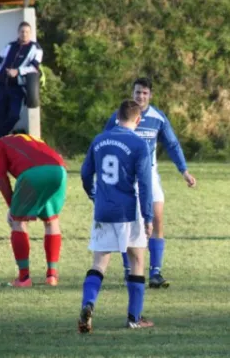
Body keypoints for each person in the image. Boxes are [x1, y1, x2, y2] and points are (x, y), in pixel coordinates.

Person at [105, 77, 196, 288]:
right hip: (127, 180)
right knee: (128, 224)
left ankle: (156, 272)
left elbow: (172, 144)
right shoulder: (120, 117)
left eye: (145, 93)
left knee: (156, 220)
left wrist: (184, 171)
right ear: (132, 93)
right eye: (137, 92)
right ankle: (129, 270)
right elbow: (105, 142)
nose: (141, 97)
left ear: (150, 95)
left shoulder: (158, 117)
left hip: (150, 177)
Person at [79, 99, 154, 332]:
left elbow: (85, 173)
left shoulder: (100, 139)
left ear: (116, 116)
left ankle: (88, 305)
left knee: (99, 263)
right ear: (138, 119)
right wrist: (148, 216)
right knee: (137, 260)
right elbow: (144, 184)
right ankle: (134, 317)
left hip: (103, 210)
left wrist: (94, 195)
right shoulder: (140, 145)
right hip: (128, 211)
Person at [0, 132, 66, 287]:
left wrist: (13, 207)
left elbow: (1, 178)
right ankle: (52, 276)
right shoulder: (32, 138)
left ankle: (24, 278)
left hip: (34, 173)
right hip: (60, 170)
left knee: (18, 222)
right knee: (52, 220)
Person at [0, 21, 42, 139]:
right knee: (2, 116)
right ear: (18, 32)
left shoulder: (36, 48)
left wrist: (18, 71)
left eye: (27, 32)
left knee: (14, 115)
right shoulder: (10, 45)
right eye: (22, 31)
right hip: (2, 85)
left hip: (17, 87)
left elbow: (34, 67)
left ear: (30, 33)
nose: (24, 34)